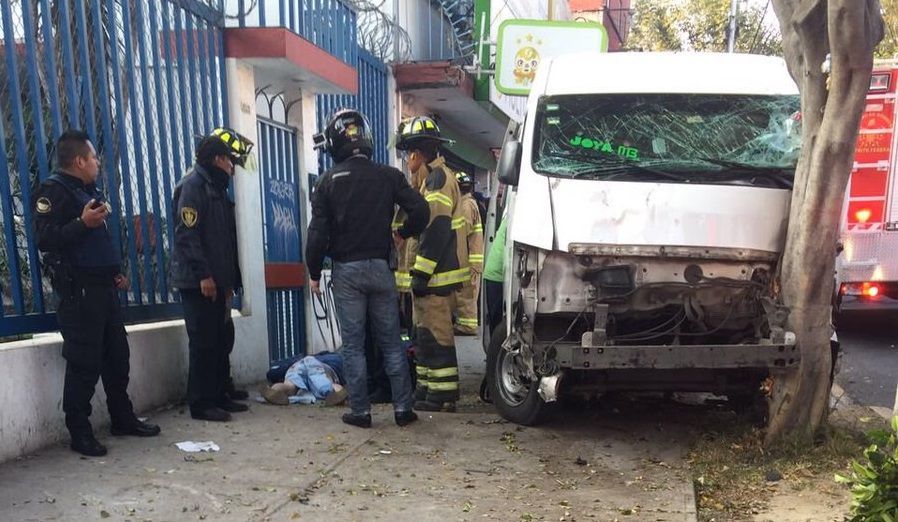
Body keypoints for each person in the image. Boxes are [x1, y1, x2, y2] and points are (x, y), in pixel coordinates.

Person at [33, 130, 161, 457]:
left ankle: (123, 418)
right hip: (79, 292)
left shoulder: (88, 191)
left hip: (103, 289)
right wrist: (82, 223)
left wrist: (114, 272)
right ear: (79, 161)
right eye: (93, 157)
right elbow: (44, 239)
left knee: (117, 357)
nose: (98, 162)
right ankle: (80, 432)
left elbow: (96, 243)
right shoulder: (54, 191)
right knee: (84, 363)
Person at [306, 108, 429, 428]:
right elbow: (421, 210)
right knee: (391, 342)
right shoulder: (388, 176)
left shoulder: (327, 182)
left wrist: (314, 273)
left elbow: (316, 234)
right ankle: (403, 409)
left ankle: (360, 411)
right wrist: (402, 233)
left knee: (354, 345)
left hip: (347, 271)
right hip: (380, 267)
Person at [171, 127, 253, 422]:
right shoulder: (193, 186)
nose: (233, 167)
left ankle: (219, 395)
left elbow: (225, 241)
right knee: (203, 343)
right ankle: (201, 403)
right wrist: (204, 275)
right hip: (198, 282)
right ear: (218, 158)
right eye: (230, 160)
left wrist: (229, 282)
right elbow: (187, 235)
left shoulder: (215, 188)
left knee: (220, 339)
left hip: (217, 282)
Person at [394, 115, 470, 413]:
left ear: (416, 155)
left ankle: (443, 396)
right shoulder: (429, 181)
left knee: (437, 337)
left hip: (436, 279)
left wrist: (422, 273)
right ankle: (427, 390)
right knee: (424, 338)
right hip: (432, 279)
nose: (406, 162)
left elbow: (437, 228)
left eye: (407, 155)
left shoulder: (437, 180)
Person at [452, 171, 484, 335]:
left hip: (470, 260)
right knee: (467, 293)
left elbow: (462, 232)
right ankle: (465, 324)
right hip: (471, 258)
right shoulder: (469, 203)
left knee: (468, 293)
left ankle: (468, 326)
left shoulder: (465, 206)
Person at [483, 217, 508, 336]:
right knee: (498, 322)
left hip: (495, 273)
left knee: (496, 321)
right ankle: (495, 347)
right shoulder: (515, 218)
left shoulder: (510, 216)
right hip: (497, 274)